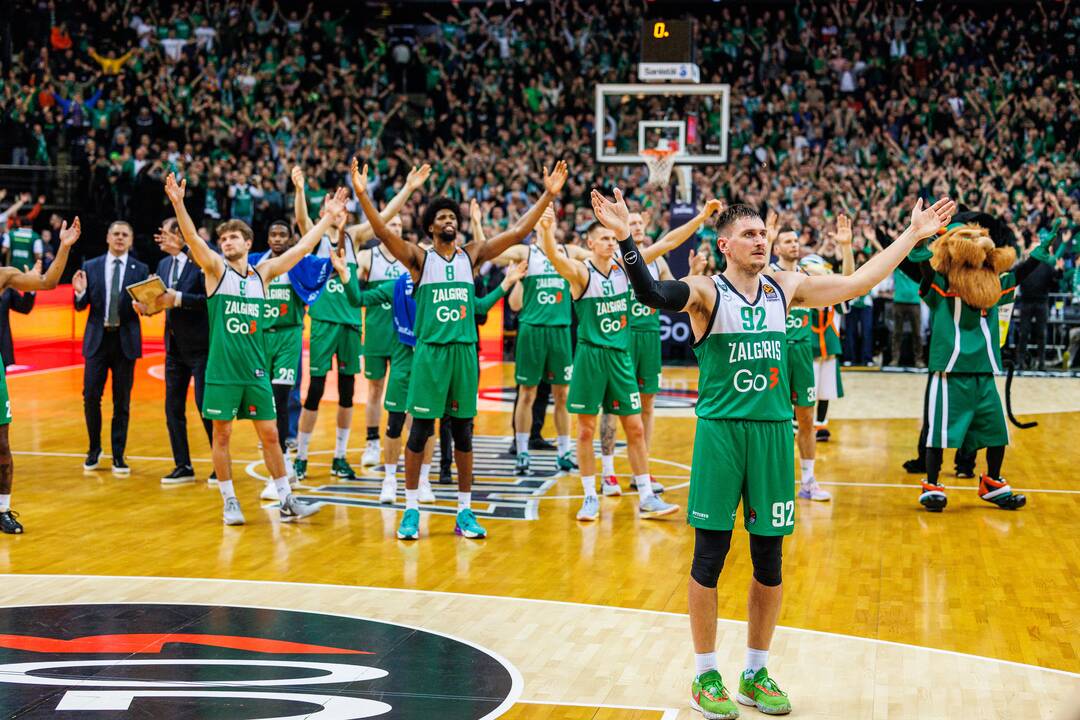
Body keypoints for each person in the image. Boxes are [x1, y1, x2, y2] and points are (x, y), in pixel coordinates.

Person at [603, 189, 954, 718]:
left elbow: (856, 283)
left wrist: (912, 235)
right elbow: (651, 293)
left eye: (764, 233)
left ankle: (755, 670)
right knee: (710, 557)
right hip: (721, 434)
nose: (760, 241)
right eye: (749, 234)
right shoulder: (704, 290)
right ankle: (704, 675)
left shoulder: (784, 288)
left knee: (770, 560)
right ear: (724, 245)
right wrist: (627, 237)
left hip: (772, 433)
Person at [353, 157, 567, 541]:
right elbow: (384, 234)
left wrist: (547, 195)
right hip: (431, 354)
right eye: (442, 217)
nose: (449, 220)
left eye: (453, 215)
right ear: (431, 226)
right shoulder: (420, 260)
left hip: (464, 355)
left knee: (464, 434)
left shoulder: (472, 255)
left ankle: (464, 512)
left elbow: (518, 232)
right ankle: (412, 509)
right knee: (418, 433)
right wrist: (363, 196)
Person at [164, 171, 346, 526]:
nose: (227, 241)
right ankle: (229, 501)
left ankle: (286, 499)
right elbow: (191, 239)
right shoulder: (216, 270)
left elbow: (302, 249)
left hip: (256, 370)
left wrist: (326, 218)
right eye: (224, 238)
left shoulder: (262, 275)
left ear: (248, 244)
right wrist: (178, 203)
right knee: (223, 433)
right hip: (222, 370)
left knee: (271, 434)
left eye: (234, 237)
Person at [534, 207, 679, 521]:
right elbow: (554, 257)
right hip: (590, 356)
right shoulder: (581, 273)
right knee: (585, 431)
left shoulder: (624, 270)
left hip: (620, 357)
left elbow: (665, 244)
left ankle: (646, 495)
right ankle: (589, 496)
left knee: (636, 427)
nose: (612, 243)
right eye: (604, 238)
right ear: (590, 244)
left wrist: (700, 218)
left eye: (614, 238)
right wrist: (546, 230)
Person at [292, 164, 427, 480]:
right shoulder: (316, 237)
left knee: (348, 391)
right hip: (325, 320)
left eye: (341, 210)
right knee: (314, 391)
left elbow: (383, 221)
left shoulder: (353, 237)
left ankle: (340, 456)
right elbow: (301, 220)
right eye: (331, 209)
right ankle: (301, 457)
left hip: (352, 322)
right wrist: (300, 191)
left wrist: (407, 188)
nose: (337, 213)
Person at [494, 204, 590, 476]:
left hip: (560, 330)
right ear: (534, 223)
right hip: (532, 330)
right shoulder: (526, 252)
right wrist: (478, 225)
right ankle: (522, 452)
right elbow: (492, 252)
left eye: (551, 215)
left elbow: (603, 255)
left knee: (562, 396)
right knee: (526, 394)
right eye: (542, 215)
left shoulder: (569, 252)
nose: (547, 218)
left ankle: (564, 452)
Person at [0, 217, 80, 533]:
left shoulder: (3, 274)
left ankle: (3, 510)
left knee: (2, 446)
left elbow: (46, 282)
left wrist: (64, 245)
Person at [353, 164, 432, 467]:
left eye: (399, 226)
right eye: (391, 225)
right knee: (374, 389)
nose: (395, 229)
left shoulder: (413, 259)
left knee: (408, 394)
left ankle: (414, 444)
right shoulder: (366, 256)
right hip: (375, 333)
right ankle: (372, 442)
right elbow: (352, 290)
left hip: (405, 338)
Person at [137, 219, 213, 484]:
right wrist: (148, 308)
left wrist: (178, 298)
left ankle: (219, 464)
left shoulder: (203, 260)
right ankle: (183, 465)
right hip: (174, 348)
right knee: (173, 409)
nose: (163, 238)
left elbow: (210, 302)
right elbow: (163, 302)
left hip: (202, 347)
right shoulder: (163, 265)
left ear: (182, 236)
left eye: (169, 233)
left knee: (206, 406)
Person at [73, 221, 150, 476]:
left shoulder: (141, 269)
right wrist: (80, 294)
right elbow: (81, 305)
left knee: (122, 400)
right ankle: (94, 449)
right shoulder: (91, 266)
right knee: (91, 396)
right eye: (115, 234)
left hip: (125, 340)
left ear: (131, 240)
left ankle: (118, 455)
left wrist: (146, 306)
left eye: (124, 235)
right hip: (97, 339)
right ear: (107, 237)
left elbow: (146, 308)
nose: (119, 238)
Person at [766, 213, 832, 502]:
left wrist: (845, 247)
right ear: (777, 248)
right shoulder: (768, 273)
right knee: (773, 419)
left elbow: (848, 284)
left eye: (796, 240)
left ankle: (808, 481)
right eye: (788, 241)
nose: (794, 245)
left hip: (803, 351)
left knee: (807, 418)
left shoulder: (809, 274)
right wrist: (767, 237)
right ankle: (767, 479)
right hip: (776, 351)